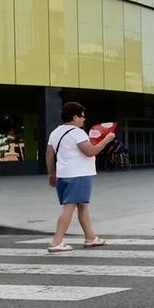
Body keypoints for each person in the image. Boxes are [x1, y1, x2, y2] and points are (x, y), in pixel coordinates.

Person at [45, 101, 114, 252]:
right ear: (75, 117)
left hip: (64, 175)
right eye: (82, 116)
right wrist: (106, 140)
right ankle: (56, 241)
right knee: (69, 207)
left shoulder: (55, 132)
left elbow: (49, 153)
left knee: (82, 205)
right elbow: (90, 151)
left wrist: (51, 173)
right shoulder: (77, 132)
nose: (84, 119)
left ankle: (90, 238)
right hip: (79, 175)